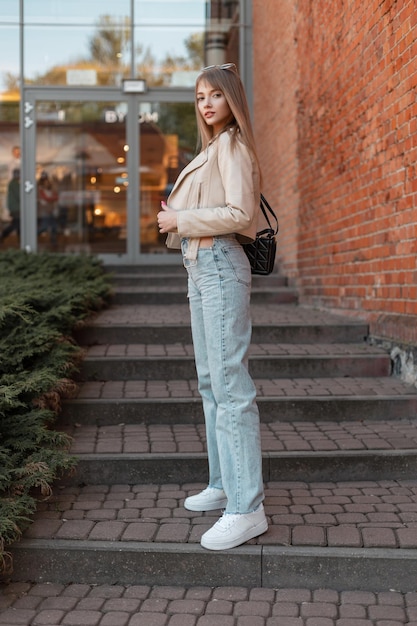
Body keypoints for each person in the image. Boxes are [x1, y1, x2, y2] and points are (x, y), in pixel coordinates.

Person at [157, 63, 268, 551]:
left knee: (230, 385)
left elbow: (241, 214)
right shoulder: (211, 149)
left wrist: (180, 217)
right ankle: (224, 482)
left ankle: (247, 508)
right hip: (201, 269)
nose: (206, 103)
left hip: (221, 264)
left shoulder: (233, 146)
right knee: (210, 383)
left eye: (215, 95)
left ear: (231, 100)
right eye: (200, 96)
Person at [0, 168, 20, 243]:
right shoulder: (14, 184)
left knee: (18, 224)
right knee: (16, 224)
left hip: (15, 207)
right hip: (16, 207)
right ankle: (3, 235)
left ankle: (20, 239)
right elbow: (19, 195)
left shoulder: (13, 183)